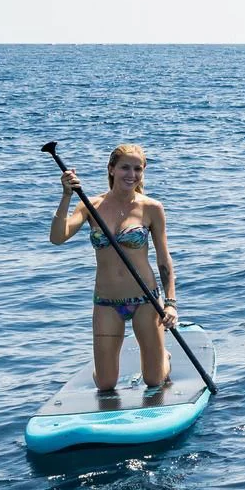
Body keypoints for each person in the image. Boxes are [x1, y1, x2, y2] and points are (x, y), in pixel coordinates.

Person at [50, 144, 178, 395]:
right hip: (106, 302)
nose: (131, 174)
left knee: (154, 380)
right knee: (106, 383)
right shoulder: (90, 205)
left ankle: (164, 357)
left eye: (137, 169)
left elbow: (164, 259)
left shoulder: (152, 208)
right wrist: (66, 195)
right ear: (111, 169)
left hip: (146, 300)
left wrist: (170, 303)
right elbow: (57, 237)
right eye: (125, 168)